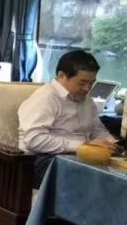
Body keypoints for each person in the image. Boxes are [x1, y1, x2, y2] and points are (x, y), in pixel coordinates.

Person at [18, 50, 118, 183]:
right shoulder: (46, 97)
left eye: (91, 83)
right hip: (43, 160)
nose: (87, 88)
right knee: (99, 179)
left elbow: (97, 130)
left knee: (117, 174)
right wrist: (83, 146)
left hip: (78, 157)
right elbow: (34, 140)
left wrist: (111, 144)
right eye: (82, 83)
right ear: (61, 76)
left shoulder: (86, 99)